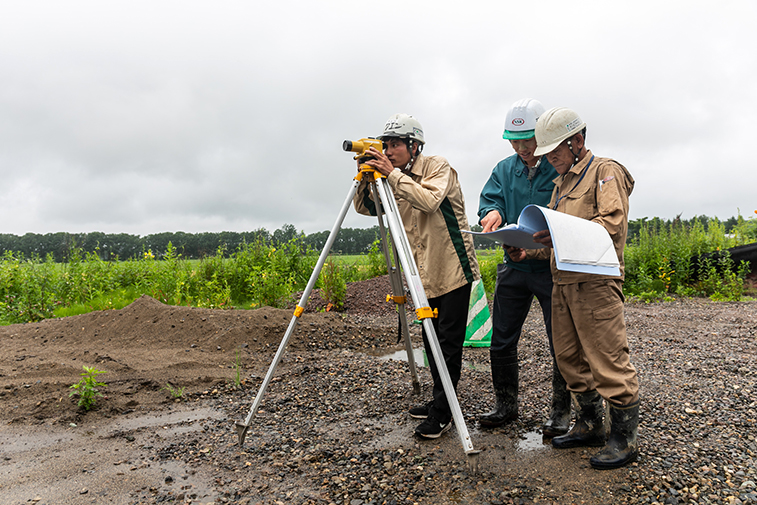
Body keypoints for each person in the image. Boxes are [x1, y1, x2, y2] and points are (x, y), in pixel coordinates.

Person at [511, 106, 639, 469]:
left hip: (595, 284)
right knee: (569, 358)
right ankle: (589, 423)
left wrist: (556, 235)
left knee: (608, 360)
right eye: (547, 155)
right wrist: (528, 249)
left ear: (578, 141)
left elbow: (610, 225)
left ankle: (624, 439)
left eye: (555, 153)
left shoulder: (605, 171)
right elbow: (555, 241)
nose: (550, 161)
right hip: (563, 283)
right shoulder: (561, 182)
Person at [353, 113, 480, 439]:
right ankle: (441, 399)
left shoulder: (439, 167)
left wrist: (392, 174)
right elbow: (367, 209)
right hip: (423, 275)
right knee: (431, 342)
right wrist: (364, 178)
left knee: (448, 345)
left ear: (414, 145)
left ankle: (443, 413)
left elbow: (427, 200)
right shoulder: (392, 176)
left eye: (395, 144)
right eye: (386, 145)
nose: (389, 150)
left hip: (452, 270)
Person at [476, 98, 571, 436]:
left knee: (560, 342)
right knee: (501, 340)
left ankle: (561, 413)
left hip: (549, 270)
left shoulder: (558, 167)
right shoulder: (504, 169)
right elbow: (490, 199)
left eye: (527, 139)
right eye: (514, 141)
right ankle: (505, 405)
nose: (521, 147)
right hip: (514, 266)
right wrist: (492, 213)